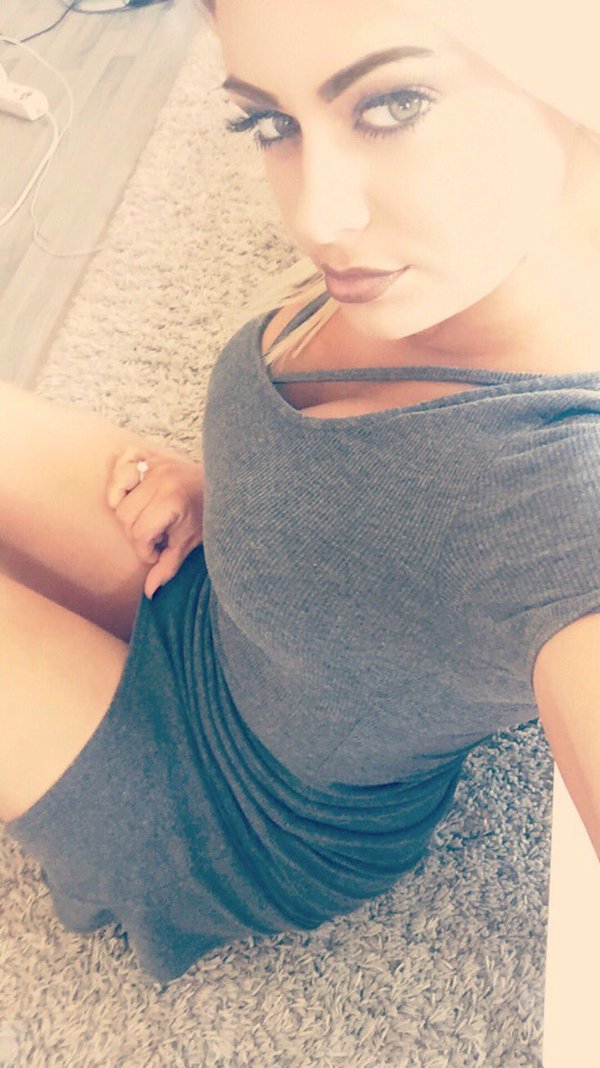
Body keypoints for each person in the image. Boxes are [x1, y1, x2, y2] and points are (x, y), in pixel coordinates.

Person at [1, 0, 599, 984]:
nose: (317, 217)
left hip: (233, 813)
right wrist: (249, 490)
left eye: (394, 105)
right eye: (268, 121)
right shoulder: (453, 244)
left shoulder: (570, 507)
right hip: (214, 581)